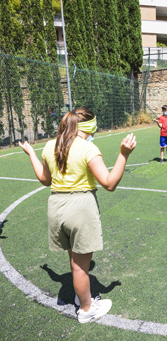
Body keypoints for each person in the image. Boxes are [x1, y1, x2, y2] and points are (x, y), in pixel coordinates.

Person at [19, 107, 136, 323]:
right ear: (89, 126)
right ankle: (86, 309)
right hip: (80, 208)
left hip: (56, 207)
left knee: (74, 263)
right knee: (80, 267)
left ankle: (81, 296)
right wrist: (123, 154)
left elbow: (45, 180)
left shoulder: (49, 145)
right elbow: (109, 183)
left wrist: (31, 154)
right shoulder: (87, 148)